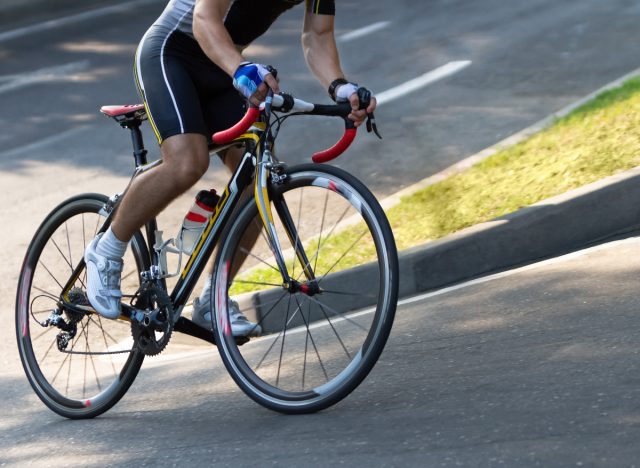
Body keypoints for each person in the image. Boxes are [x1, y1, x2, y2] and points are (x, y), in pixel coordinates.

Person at [84, 0, 377, 336]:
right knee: (187, 162)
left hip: (222, 66)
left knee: (256, 179)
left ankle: (214, 297)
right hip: (171, 54)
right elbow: (203, 18)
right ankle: (105, 251)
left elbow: (318, 35)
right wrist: (240, 68)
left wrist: (340, 86)